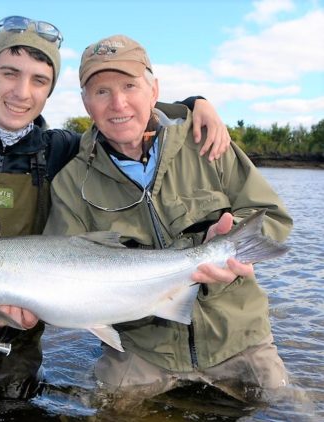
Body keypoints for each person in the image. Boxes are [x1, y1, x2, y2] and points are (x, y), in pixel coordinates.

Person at [0, 17, 231, 416]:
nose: (21, 92)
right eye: (9, 74)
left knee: (13, 410)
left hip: (16, 336)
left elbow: (122, 118)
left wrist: (192, 105)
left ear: (50, 89)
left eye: (39, 80)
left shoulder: (60, 149)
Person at [42, 34, 293, 404]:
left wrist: (231, 250)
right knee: (94, 410)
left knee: (294, 410)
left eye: (130, 86)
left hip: (237, 337)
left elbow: (272, 218)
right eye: (101, 92)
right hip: (143, 351)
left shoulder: (207, 142)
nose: (118, 103)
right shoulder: (71, 183)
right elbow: (59, 274)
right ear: (85, 103)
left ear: (154, 89)